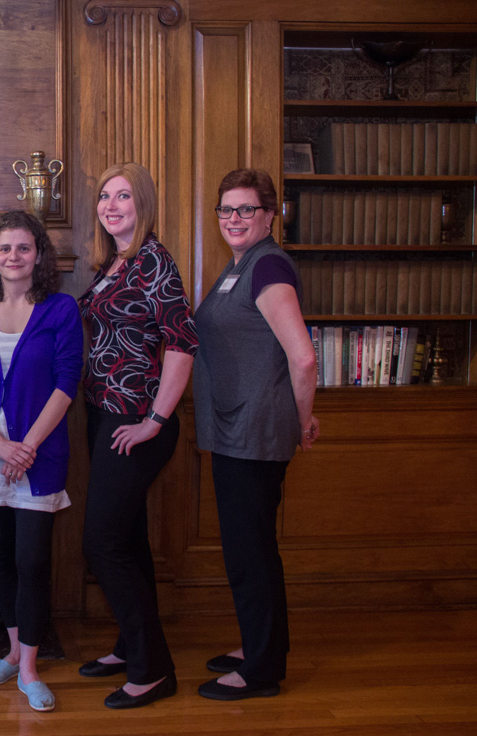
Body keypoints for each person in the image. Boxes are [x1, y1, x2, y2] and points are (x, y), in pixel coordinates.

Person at [193, 168, 319, 701]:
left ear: (270, 215)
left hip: (255, 429)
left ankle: (262, 670)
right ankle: (259, 644)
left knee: (250, 551)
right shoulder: (241, 265)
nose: (234, 218)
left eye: (247, 209)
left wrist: (302, 416)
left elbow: (304, 356)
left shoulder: (267, 264)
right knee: (251, 546)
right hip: (235, 425)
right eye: (226, 209)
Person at [77, 163, 197, 709]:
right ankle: (130, 646)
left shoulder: (154, 262)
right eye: (105, 196)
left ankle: (154, 670)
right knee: (126, 539)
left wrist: (155, 420)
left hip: (138, 423)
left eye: (123, 195)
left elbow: (181, 342)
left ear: (142, 203)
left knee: (102, 541)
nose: (111, 204)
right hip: (107, 416)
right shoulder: (117, 262)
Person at [0, 211, 82, 712]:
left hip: (40, 451)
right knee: (0, 557)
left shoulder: (61, 309)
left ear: (38, 255)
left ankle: (29, 669)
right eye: (3, 248)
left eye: (23, 248)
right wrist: (1, 445)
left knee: (32, 560)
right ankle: (11, 651)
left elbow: (66, 381)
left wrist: (24, 445)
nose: (13, 257)